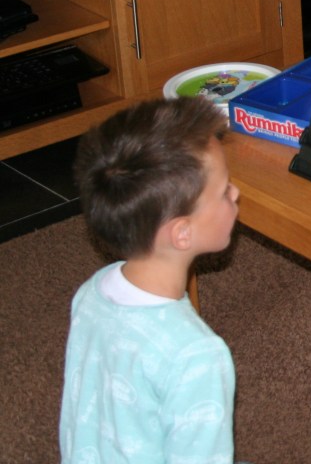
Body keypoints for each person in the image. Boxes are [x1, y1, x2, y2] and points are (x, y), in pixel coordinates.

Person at [61, 97, 240, 463]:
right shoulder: (198, 356)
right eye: (224, 192)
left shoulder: (92, 293)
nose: (236, 193)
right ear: (182, 234)